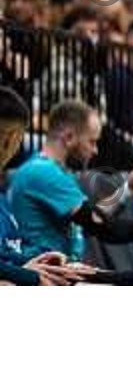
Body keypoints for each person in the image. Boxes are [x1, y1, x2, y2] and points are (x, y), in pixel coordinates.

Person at [8, 99, 133, 261]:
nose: (95, 151)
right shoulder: (43, 173)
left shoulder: (54, 171)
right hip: (49, 277)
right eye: (92, 142)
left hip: (65, 272)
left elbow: (92, 219)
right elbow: (106, 228)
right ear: (70, 137)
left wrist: (126, 190)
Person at [0, 86, 83, 285]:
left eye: (14, 137)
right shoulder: (42, 172)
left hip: (43, 264)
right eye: (2, 134)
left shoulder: (61, 174)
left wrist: (28, 264)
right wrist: (28, 275)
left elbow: (6, 254)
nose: (6, 146)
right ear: (69, 137)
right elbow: (103, 225)